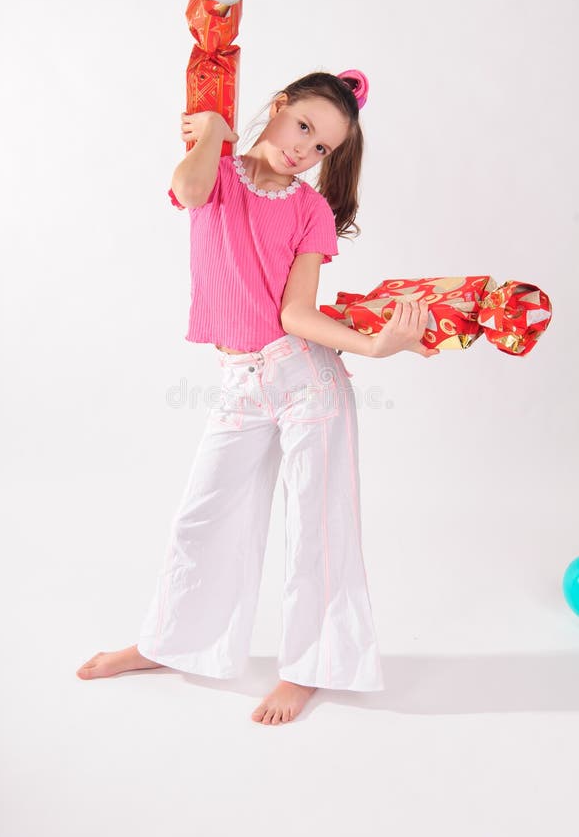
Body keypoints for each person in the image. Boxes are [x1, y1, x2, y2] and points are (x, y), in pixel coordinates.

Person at [76, 69, 438, 725]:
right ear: (275, 109)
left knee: (316, 530)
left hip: (307, 382)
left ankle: (310, 669)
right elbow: (187, 191)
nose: (304, 150)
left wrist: (376, 346)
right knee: (202, 517)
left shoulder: (309, 209)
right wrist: (215, 131)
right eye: (301, 126)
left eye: (321, 146)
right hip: (240, 383)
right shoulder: (215, 171)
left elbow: (297, 313)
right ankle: (171, 642)